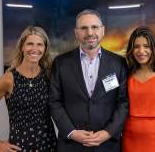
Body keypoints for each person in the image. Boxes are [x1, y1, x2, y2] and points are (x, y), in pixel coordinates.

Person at [49, 9, 129, 152]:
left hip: (108, 145)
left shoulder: (119, 63)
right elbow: (54, 101)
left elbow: (123, 102)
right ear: (76, 32)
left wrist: (108, 132)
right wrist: (72, 133)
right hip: (71, 145)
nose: (90, 32)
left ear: (102, 30)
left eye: (94, 27)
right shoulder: (61, 63)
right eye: (84, 28)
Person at [0, 26, 57, 152]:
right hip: (20, 147)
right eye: (30, 44)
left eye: (40, 45)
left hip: (49, 145)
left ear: (45, 48)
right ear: (22, 47)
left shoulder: (49, 75)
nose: (35, 49)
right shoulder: (8, 79)